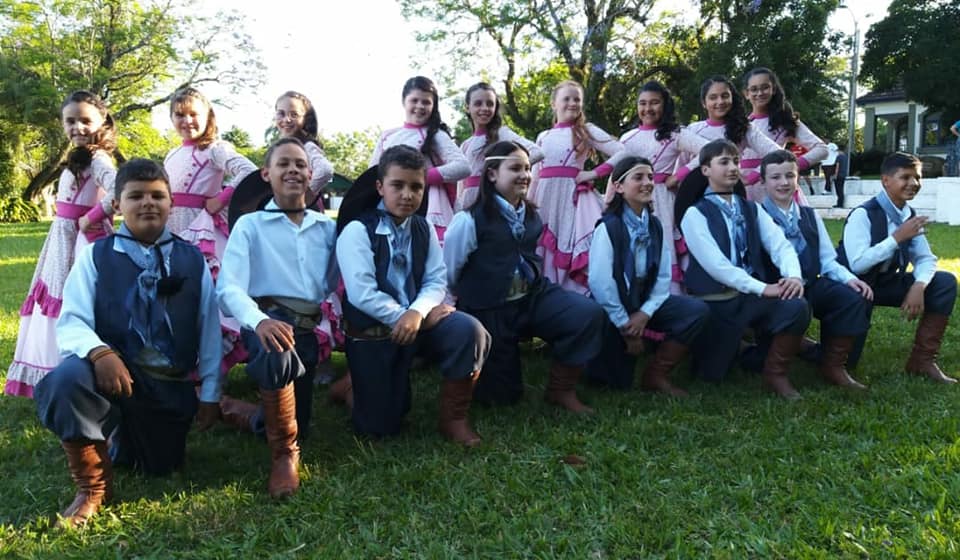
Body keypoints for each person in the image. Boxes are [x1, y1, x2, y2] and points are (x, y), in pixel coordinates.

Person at [34, 158, 222, 526]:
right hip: (111, 376)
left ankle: (121, 436)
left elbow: (209, 331)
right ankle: (92, 488)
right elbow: (71, 320)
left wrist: (212, 394)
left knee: (159, 465)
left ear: (171, 203)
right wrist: (99, 352)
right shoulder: (96, 256)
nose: (147, 203)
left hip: (166, 384)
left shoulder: (192, 259)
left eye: (157, 196)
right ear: (117, 204)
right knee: (66, 381)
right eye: (136, 196)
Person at [337, 145, 491, 445]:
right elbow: (361, 293)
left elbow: (436, 279)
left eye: (416, 187)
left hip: (418, 323)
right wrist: (404, 316)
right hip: (375, 332)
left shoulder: (423, 227)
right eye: (397, 185)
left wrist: (417, 313)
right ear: (380, 187)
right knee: (380, 428)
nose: (407, 195)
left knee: (468, 331)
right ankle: (350, 387)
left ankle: (454, 419)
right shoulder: (357, 230)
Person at [217, 138, 339, 497]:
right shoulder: (250, 226)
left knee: (300, 422)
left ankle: (239, 412)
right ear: (266, 174)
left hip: (307, 330)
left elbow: (335, 278)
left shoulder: (326, 228)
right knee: (276, 354)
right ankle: (284, 456)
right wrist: (259, 321)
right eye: (283, 164)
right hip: (268, 323)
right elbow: (229, 288)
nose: (293, 170)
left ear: (310, 175)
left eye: (300, 164)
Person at [444, 141, 604, 412]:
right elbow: (450, 268)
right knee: (501, 398)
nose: (525, 175)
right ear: (492, 174)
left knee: (586, 313)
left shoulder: (531, 215)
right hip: (490, 307)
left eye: (528, 168)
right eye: (515, 168)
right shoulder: (468, 220)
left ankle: (561, 390)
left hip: (531, 296)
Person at [6, 91, 120, 398]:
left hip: (82, 239)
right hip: (62, 236)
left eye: (85, 121)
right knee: (53, 295)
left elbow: (119, 189)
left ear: (101, 121)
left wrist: (91, 216)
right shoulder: (79, 156)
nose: (77, 127)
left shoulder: (98, 158)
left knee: (74, 297)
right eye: (70, 121)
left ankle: (78, 369)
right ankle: (53, 370)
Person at [676, 139, 810, 398]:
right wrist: (763, 288)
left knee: (796, 305)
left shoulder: (751, 208)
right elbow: (717, 265)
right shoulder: (695, 214)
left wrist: (793, 276)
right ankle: (742, 350)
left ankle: (775, 374)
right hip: (715, 301)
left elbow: (780, 245)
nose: (733, 168)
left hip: (749, 298)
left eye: (736, 161)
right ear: (705, 170)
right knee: (711, 375)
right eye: (724, 162)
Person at [586, 156, 709, 395]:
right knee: (614, 385)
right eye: (638, 177)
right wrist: (624, 323)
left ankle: (656, 373)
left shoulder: (655, 225)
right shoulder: (608, 227)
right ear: (619, 187)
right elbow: (601, 283)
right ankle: (615, 351)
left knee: (695, 311)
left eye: (651, 177)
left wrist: (645, 313)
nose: (648, 183)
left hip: (642, 300)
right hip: (614, 305)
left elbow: (663, 276)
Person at [837, 152, 958, 383]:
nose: (914, 183)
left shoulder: (908, 215)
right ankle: (808, 348)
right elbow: (857, 264)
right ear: (885, 181)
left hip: (884, 283)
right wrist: (896, 238)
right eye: (905, 177)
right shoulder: (863, 214)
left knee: (944, 282)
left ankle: (922, 361)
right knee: (848, 361)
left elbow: (925, 258)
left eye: (917, 177)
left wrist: (919, 286)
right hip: (853, 286)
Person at [758, 150, 873, 390]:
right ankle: (782, 364)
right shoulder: (757, 216)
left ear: (798, 178)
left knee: (850, 296)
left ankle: (833, 364)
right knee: (794, 307)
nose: (784, 182)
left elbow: (827, 259)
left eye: (790, 176)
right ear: (763, 182)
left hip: (809, 283)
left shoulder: (809, 215)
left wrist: (848, 278)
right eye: (775, 177)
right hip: (776, 290)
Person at [163, 86, 258, 376]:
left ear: (208, 116)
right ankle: (183, 365)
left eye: (194, 114)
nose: (187, 121)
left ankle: (211, 371)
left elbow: (248, 170)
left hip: (199, 230)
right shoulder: (172, 153)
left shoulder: (215, 149)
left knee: (203, 298)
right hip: (171, 227)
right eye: (179, 115)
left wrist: (222, 197)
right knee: (174, 297)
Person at [533, 80, 627, 294]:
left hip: (572, 202)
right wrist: (529, 206)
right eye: (566, 98)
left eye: (577, 99)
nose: (572, 103)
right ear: (553, 104)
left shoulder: (586, 130)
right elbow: (536, 176)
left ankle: (575, 297)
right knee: (545, 249)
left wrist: (594, 173)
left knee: (570, 244)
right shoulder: (543, 136)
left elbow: (622, 152)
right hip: (544, 202)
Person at [615, 81, 708, 293]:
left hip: (662, 201)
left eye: (654, 102)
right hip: (630, 201)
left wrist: (679, 175)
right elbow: (617, 172)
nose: (648, 108)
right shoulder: (627, 138)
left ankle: (671, 299)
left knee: (663, 245)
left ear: (665, 105)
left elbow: (708, 149)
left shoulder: (675, 134)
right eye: (643, 103)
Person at [370, 76, 470, 241]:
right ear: (404, 101)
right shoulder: (387, 136)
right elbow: (372, 172)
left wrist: (422, 178)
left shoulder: (436, 135)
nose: (420, 106)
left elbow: (463, 166)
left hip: (426, 205)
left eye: (426, 102)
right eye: (414, 100)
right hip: (389, 205)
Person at [741, 67, 828, 202]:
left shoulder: (785, 121)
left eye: (765, 87)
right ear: (746, 93)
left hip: (777, 188)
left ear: (773, 89)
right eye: (754, 89)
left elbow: (822, 149)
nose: (760, 93)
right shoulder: (742, 124)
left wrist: (792, 165)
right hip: (746, 191)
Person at [686, 76, 780, 198]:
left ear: (732, 98)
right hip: (699, 194)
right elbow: (683, 165)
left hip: (732, 194)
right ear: (704, 103)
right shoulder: (693, 130)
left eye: (725, 96)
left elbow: (776, 153)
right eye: (713, 97)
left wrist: (750, 178)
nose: (720, 102)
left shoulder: (743, 128)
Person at [458, 82, 543, 211]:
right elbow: (461, 183)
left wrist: (507, 168)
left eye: (490, 104)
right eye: (478, 103)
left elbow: (537, 152)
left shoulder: (502, 134)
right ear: (467, 107)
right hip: (469, 202)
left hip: (493, 200)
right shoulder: (465, 145)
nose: (485, 108)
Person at [273, 90, 335, 210]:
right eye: (281, 113)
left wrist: (305, 194)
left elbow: (325, 170)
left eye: (294, 114)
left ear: (305, 119)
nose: (286, 119)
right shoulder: (280, 148)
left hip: (305, 211)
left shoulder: (307, 147)